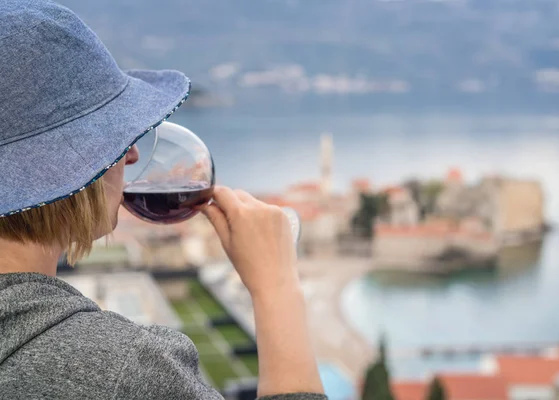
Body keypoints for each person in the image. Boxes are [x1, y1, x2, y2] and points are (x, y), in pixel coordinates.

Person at [0, 1, 326, 399]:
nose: (131, 153)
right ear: (60, 164)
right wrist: (277, 289)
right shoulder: (121, 372)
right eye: (109, 135)